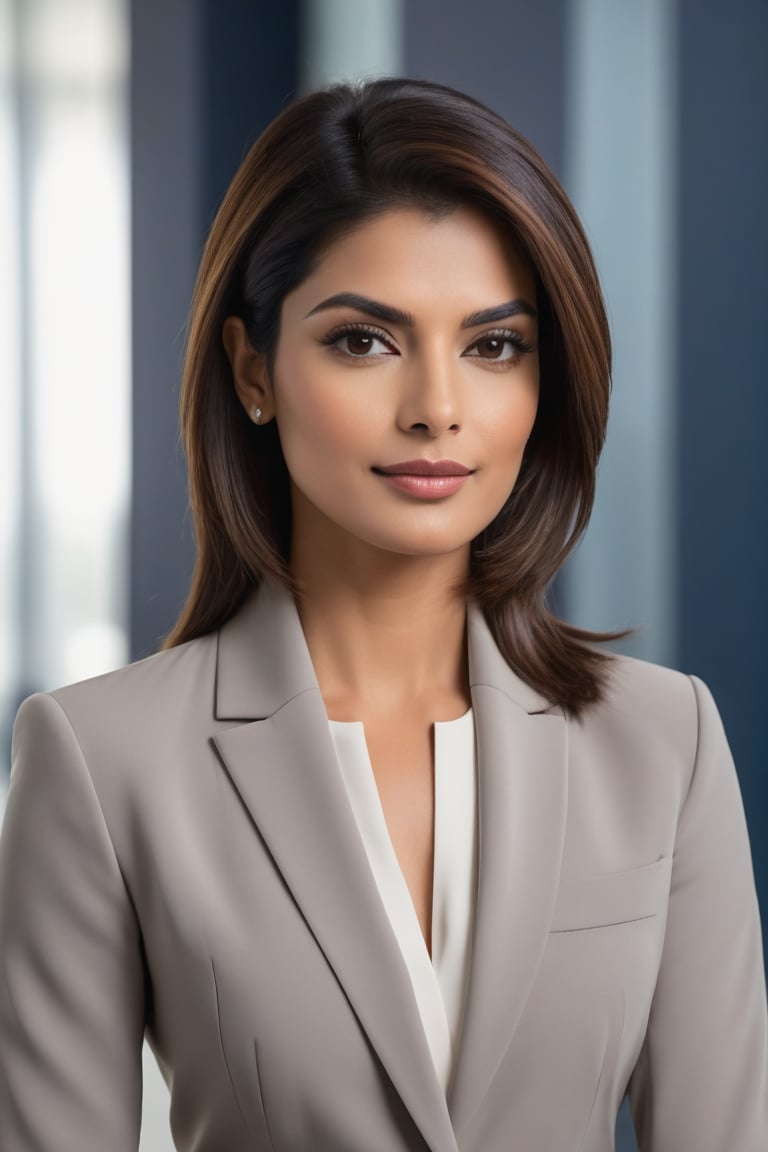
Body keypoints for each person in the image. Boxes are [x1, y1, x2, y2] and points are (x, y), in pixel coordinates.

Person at [0, 77, 765, 1152]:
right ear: (252, 369)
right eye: (366, 341)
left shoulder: (664, 743)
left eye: (495, 345)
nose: (437, 407)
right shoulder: (103, 761)